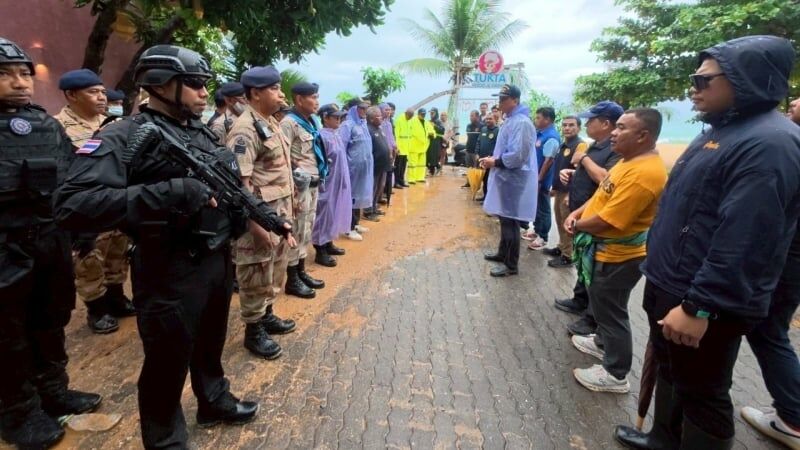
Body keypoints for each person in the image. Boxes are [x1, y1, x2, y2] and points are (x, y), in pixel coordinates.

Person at [55, 45, 289, 449]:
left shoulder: (197, 131)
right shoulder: (123, 134)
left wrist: (263, 218)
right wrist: (169, 192)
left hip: (216, 258)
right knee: (167, 362)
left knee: (210, 342)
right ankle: (165, 440)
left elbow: (231, 186)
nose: (204, 92)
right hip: (167, 267)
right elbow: (73, 204)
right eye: (195, 83)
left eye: (205, 84)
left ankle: (213, 399)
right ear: (161, 84)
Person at [614, 35, 800, 450]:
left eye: (703, 81)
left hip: (701, 300)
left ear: (744, 79)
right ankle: (663, 437)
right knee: (670, 370)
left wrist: (700, 305)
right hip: (672, 283)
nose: (692, 90)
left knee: (703, 392)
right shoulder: (721, 130)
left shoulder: (768, 143)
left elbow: (746, 239)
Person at [0, 36, 102, 450]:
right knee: (9, 334)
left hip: (50, 240)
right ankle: (17, 412)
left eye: (24, 73)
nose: (20, 83)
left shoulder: (45, 124)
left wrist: (81, 229)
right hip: (6, 247)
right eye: (5, 75)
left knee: (51, 319)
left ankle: (53, 392)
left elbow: (69, 179)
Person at [567, 108, 667, 394]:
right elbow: (603, 194)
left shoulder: (644, 174)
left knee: (612, 311)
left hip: (619, 257)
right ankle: (602, 343)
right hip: (605, 252)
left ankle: (615, 372)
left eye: (621, 127)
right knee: (603, 305)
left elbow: (610, 220)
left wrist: (577, 224)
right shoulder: (628, 161)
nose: (614, 132)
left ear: (643, 135)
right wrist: (577, 212)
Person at [739, 94, 800, 450]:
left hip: (784, 263)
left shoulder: (784, 147)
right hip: (785, 261)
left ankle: (792, 416)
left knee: (769, 333)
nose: (792, 103)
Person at [54, 69, 135, 335]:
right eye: (93, 92)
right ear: (71, 95)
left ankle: (116, 295)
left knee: (117, 251)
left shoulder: (112, 124)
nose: (101, 97)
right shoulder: (58, 128)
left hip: (116, 201)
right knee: (88, 259)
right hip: (87, 208)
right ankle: (97, 308)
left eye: (102, 91)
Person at [227, 66, 298, 359]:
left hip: (277, 216)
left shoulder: (269, 122)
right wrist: (256, 227)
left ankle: (267, 315)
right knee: (256, 274)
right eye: (275, 88)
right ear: (256, 93)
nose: (281, 94)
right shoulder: (244, 130)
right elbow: (238, 186)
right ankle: (253, 331)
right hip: (259, 220)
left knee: (274, 270)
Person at [552, 100, 624, 338]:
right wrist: (573, 178)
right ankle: (579, 300)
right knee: (584, 264)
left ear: (605, 123)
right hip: (583, 209)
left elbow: (606, 179)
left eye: (591, 120)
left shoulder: (615, 149)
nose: (587, 124)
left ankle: (592, 319)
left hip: (598, 217)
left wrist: (582, 160)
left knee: (595, 270)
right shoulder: (595, 146)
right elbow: (589, 175)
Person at [480, 84, 538, 277]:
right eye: (499, 99)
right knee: (504, 217)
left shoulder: (521, 122)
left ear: (515, 100)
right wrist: (493, 159)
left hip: (514, 178)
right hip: (506, 177)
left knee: (510, 220)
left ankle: (511, 265)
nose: (500, 103)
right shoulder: (512, 120)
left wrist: (495, 161)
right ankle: (502, 253)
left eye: (504, 99)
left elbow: (518, 156)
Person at [281, 82, 326, 296]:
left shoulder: (311, 121)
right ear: (299, 99)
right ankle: (292, 279)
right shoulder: (289, 123)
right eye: (313, 97)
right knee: (297, 230)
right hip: (300, 187)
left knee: (306, 230)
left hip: (313, 184)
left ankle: (300, 271)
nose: (317, 102)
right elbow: (284, 156)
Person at [544, 115, 587, 268]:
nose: (567, 128)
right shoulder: (564, 145)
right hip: (559, 190)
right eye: (565, 125)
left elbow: (579, 173)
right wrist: (554, 188)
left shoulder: (580, 145)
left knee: (567, 223)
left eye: (571, 125)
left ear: (579, 128)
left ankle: (567, 256)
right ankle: (561, 248)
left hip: (569, 193)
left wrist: (570, 194)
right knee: (559, 220)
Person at [312, 104, 351, 260]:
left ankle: (328, 242)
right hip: (327, 184)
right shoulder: (321, 136)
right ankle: (320, 249)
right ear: (325, 118)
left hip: (337, 182)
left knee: (333, 213)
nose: (339, 120)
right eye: (335, 117)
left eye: (340, 117)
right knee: (323, 214)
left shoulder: (336, 134)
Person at [526, 107, 561, 251]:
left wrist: (539, 180)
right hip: (535, 177)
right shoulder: (541, 134)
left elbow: (548, 161)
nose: (536, 120)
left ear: (547, 119)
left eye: (538, 117)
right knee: (537, 206)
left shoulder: (551, 137)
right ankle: (536, 229)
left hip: (543, 181)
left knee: (543, 208)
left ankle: (543, 236)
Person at [340, 99, 374, 240]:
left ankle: (356, 223)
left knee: (359, 196)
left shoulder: (362, 124)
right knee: (351, 198)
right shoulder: (347, 125)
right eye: (361, 108)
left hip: (364, 168)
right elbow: (342, 147)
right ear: (354, 108)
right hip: (352, 169)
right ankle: (349, 227)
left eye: (366, 108)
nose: (364, 111)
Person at [366, 106, 391, 220]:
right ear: (371, 119)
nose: (381, 118)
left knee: (379, 187)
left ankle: (374, 207)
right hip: (375, 165)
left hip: (383, 164)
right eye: (378, 116)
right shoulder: (368, 130)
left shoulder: (379, 128)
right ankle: (368, 211)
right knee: (373, 187)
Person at [475, 113, 499, 201]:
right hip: (481, 159)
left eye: (490, 119)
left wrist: (492, 156)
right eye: (487, 119)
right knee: (484, 179)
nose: (488, 120)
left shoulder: (497, 131)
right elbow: (478, 141)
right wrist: (477, 153)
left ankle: (489, 199)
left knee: (490, 180)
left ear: (495, 120)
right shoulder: (483, 129)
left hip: (490, 161)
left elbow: (498, 146)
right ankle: (484, 196)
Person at [379, 103, 398, 200]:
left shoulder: (389, 123)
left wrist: (395, 146)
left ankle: (385, 192)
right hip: (384, 153)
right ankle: (380, 196)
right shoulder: (380, 123)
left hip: (390, 152)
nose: (388, 112)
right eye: (386, 110)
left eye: (389, 110)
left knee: (387, 174)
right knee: (381, 176)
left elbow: (391, 137)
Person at [405, 108, 428, 184]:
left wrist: (433, 134)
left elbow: (430, 130)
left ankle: (420, 177)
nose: (423, 115)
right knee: (412, 163)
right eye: (422, 114)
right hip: (414, 146)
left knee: (421, 164)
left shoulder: (425, 122)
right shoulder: (413, 121)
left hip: (422, 146)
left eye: (424, 114)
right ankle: (411, 178)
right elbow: (413, 132)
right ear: (418, 114)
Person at [393, 108, 413, 188]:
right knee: (398, 166)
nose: (410, 118)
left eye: (412, 116)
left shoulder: (409, 120)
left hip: (406, 147)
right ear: (406, 113)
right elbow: (396, 135)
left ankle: (401, 181)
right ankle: (396, 182)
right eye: (410, 116)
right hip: (400, 148)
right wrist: (397, 147)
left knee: (403, 166)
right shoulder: (399, 120)